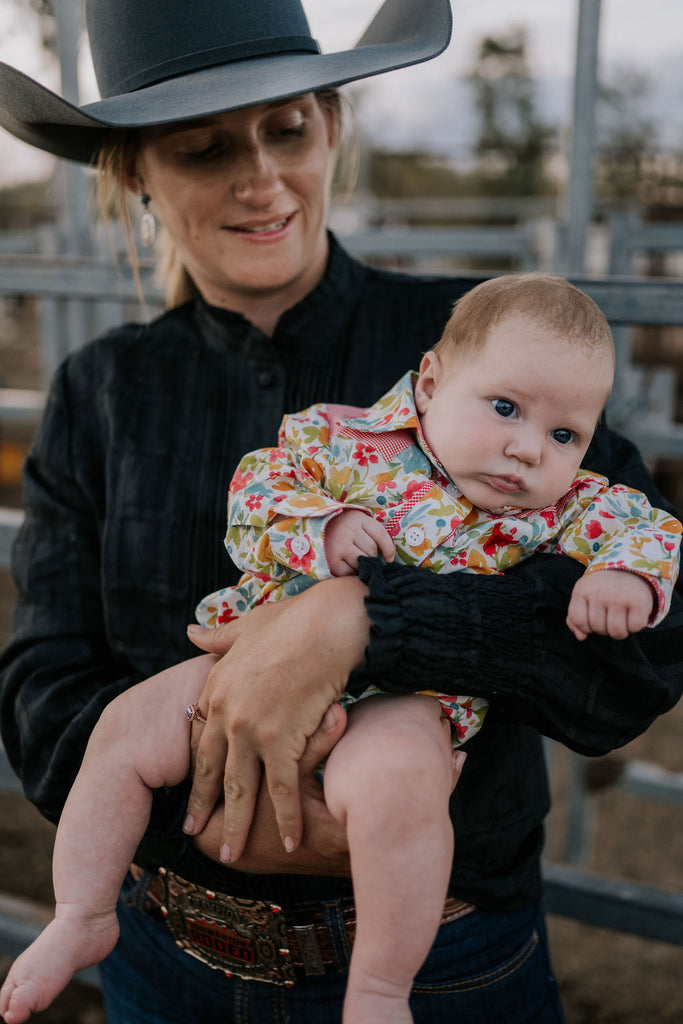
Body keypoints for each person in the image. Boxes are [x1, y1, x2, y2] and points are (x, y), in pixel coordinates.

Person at [0, 1, 681, 1021]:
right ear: (136, 170)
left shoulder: (481, 355)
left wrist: (362, 618)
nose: (259, 177)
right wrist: (224, 809)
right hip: (167, 954)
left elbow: (637, 660)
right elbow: (43, 690)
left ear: (332, 127)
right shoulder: (102, 391)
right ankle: (77, 912)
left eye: (286, 129)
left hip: (444, 963)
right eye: (200, 147)